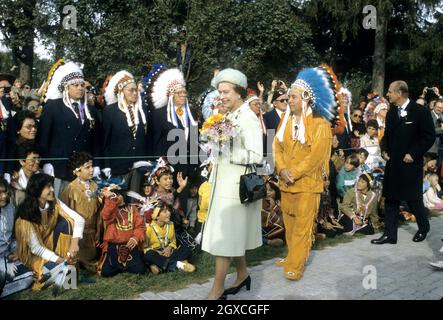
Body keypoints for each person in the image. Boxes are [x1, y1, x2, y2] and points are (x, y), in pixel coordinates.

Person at [202, 68, 263, 300]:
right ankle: (242, 274)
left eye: (226, 91)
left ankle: (217, 290)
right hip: (223, 185)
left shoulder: (248, 118)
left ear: (239, 93)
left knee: (225, 240)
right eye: (220, 92)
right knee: (231, 235)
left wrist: (229, 150)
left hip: (236, 190)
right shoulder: (228, 117)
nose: (222, 96)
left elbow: (258, 156)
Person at [273, 65, 339, 281]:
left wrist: (294, 172)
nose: (289, 100)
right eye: (288, 97)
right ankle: (292, 255)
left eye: (292, 97)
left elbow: (316, 157)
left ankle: (296, 264)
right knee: (289, 224)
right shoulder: (286, 121)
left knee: (302, 226)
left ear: (306, 98)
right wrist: (282, 169)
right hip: (286, 182)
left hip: (307, 184)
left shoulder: (320, 124)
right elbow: (277, 147)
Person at [371, 81, 435, 245]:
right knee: (391, 199)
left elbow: (428, 137)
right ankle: (390, 235)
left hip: (410, 164)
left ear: (400, 93)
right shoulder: (392, 113)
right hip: (393, 164)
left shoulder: (420, 112)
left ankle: (423, 227)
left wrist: (413, 154)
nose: (387, 94)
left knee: (413, 199)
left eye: (390, 91)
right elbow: (386, 136)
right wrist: (384, 149)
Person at [38, 60, 101, 197]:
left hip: (84, 170)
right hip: (59, 168)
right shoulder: (53, 107)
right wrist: (46, 163)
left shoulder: (91, 110)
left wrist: (96, 164)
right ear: (66, 87)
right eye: (75, 85)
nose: (80, 88)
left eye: (82, 85)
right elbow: (44, 138)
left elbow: (96, 141)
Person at [14, 173, 85, 290]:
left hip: (48, 244)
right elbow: (36, 248)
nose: (52, 189)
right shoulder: (25, 217)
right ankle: (56, 268)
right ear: (37, 190)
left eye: (52, 185)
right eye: (48, 187)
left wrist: (74, 245)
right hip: (33, 255)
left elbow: (79, 219)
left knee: (67, 224)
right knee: (62, 274)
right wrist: (60, 261)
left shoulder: (53, 202)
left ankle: (68, 262)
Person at [103, 70, 150, 190]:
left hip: (139, 168)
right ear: (121, 91)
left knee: (136, 203)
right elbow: (105, 142)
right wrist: (106, 166)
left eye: (136, 90)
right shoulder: (110, 111)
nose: (135, 93)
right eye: (131, 90)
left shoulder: (142, 110)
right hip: (118, 168)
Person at [60, 152, 102, 273]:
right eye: (87, 167)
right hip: (78, 235)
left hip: (93, 233)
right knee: (79, 259)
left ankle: (88, 262)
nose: (91, 170)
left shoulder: (95, 186)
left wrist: (99, 230)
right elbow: (64, 213)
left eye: (92, 166)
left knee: (94, 256)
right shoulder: (70, 189)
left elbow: (99, 210)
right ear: (77, 171)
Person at [97, 187, 146, 277]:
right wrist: (111, 199)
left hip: (130, 244)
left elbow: (140, 226)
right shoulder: (110, 212)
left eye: (118, 194)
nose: (118, 197)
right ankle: (121, 266)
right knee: (106, 273)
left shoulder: (132, 208)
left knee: (140, 270)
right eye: (114, 196)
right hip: (114, 246)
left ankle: (124, 266)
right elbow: (105, 216)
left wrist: (135, 238)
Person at [0, 179, 34, 298]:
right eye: (0, 193)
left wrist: (17, 250)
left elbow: (13, 236)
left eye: (5, 192)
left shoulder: (10, 209)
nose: (4, 196)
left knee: (29, 276)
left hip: (8, 256)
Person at [143, 203, 195, 274]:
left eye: (168, 211)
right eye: (165, 212)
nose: (169, 213)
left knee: (186, 249)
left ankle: (158, 266)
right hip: (156, 253)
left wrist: (169, 248)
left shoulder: (171, 224)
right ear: (157, 216)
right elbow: (144, 248)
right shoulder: (149, 228)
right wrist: (159, 252)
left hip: (169, 252)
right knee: (149, 255)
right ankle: (178, 264)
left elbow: (173, 241)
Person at [10, 141, 41, 207]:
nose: (37, 162)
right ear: (22, 162)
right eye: (33, 159)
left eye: (39, 158)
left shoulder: (43, 177)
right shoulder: (14, 182)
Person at [261, 177, 285, 247]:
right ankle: (268, 242)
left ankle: (268, 240)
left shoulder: (280, 203)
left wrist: (272, 210)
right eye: (266, 190)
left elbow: (280, 222)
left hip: (274, 230)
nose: (267, 192)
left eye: (270, 190)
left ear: (276, 192)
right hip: (260, 229)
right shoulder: (260, 201)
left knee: (283, 229)